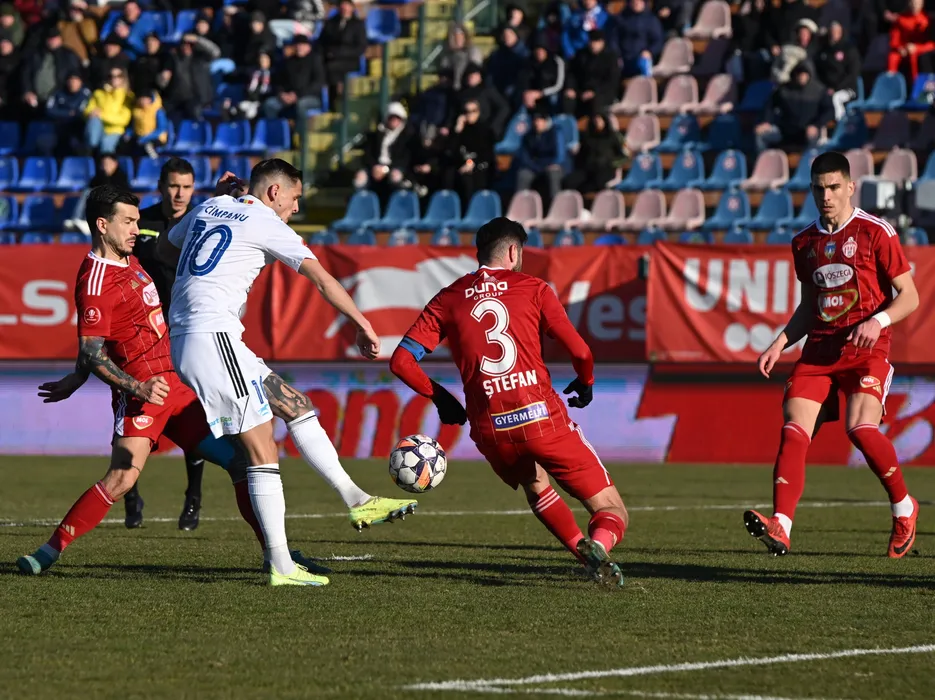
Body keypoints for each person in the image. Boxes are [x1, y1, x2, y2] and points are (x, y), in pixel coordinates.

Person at [16, 185, 328, 585]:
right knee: (122, 477)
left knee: (240, 462)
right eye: (128, 222)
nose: (136, 229)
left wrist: (221, 196)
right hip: (143, 396)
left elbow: (96, 346)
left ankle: (278, 555)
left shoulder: (128, 259)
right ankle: (48, 551)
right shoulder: (95, 281)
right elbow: (92, 350)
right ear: (102, 225)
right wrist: (136, 388)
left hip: (176, 388)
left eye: (136, 220)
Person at [156, 159, 418, 584]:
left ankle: (358, 499)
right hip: (212, 336)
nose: (296, 208)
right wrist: (362, 324)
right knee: (262, 449)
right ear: (275, 192)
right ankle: (281, 564)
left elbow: (166, 250)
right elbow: (323, 280)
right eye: (295, 198)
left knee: (296, 405)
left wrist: (222, 202)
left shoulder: (208, 206)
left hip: (203, 337)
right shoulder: (265, 221)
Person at [389, 217, 630, 586]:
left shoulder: (449, 297)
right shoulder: (534, 288)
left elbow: (401, 362)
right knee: (611, 508)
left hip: (491, 430)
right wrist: (586, 381)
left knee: (536, 485)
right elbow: (581, 351)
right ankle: (597, 545)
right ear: (514, 252)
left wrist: (442, 399)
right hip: (541, 417)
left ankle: (584, 556)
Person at [748, 151, 921, 559]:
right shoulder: (804, 242)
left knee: (860, 429)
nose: (825, 196)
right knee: (794, 429)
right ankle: (782, 525)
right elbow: (810, 306)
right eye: (818, 189)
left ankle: (904, 508)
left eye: (833, 187)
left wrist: (878, 321)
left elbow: (910, 296)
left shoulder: (876, 232)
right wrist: (780, 342)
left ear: (850, 187)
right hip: (819, 351)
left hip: (866, 349)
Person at [131, 158, 205, 531]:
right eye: (174, 186)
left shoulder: (202, 221)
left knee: (191, 410)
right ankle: (130, 494)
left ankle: (194, 497)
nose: (179, 194)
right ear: (161, 187)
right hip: (142, 332)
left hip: (186, 329)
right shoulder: (138, 221)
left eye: (186, 187)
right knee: (131, 408)